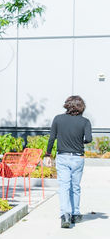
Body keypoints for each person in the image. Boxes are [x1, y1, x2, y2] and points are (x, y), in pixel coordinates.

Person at [47, 95, 92, 228]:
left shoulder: (58, 119)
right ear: (81, 107)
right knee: (76, 186)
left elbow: (51, 138)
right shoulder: (85, 121)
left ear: (67, 105)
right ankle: (76, 214)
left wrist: (48, 154)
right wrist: (80, 141)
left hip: (62, 156)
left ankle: (65, 215)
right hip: (78, 157)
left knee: (64, 186)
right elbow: (88, 139)